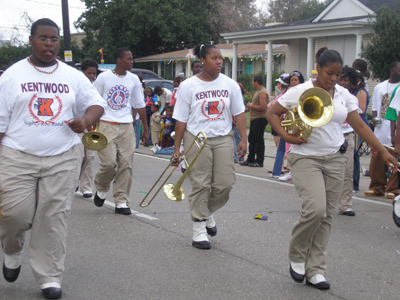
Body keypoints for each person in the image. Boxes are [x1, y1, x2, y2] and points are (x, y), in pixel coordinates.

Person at [267, 47, 397, 290]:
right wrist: (287, 136)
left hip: (336, 158)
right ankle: (297, 255)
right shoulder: (300, 90)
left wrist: (384, 151)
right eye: (330, 73)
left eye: (338, 75)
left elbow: (360, 125)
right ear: (318, 68)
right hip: (306, 158)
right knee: (315, 210)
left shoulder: (343, 94)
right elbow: (272, 112)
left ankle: (316, 269)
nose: (334, 79)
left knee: (326, 216)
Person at [0, 18, 105, 299]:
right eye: (43, 38)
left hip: (62, 157)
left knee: (53, 217)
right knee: (13, 215)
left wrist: (85, 120)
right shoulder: (12, 76)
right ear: (32, 40)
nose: (49, 44)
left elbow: (96, 104)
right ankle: (11, 249)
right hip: (17, 155)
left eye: (54, 39)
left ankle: (49, 275)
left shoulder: (72, 75)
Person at [172, 43, 247, 250]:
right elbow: (180, 119)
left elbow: (239, 113)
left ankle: (206, 212)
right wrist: (177, 149)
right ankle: (198, 228)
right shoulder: (188, 86)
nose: (219, 62)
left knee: (225, 184)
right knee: (201, 183)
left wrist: (243, 139)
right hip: (196, 137)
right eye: (214, 58)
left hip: (223, 137)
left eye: (220, 58)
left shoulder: (230, 84)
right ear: (202, 61)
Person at [93, 47, 149, 215]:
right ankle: (102, 188)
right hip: (106, 124)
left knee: (126, 164)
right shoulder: (103, 78)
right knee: (109, 163)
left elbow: (139, 105)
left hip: (126, 126)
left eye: (132, 59)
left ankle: (121, 201)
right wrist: (91, 123)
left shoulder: (133, 79)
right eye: (129, 59)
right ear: (119, 60)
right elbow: (93, 100)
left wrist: (145, 129)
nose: (132, 62)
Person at [364, 62, 400, 199]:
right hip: (381, 130)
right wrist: (374, 119)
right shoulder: (380, 87)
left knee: (395, 160)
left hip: (396, 132)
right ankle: (377, 186)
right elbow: (374, 107)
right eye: (398, 70)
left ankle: (393, 188)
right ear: (392, 71)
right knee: (377, 163)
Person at [337, 66, 359, 216]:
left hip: (348, 136)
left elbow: (358, 122)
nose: (343, 83)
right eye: (341, 79)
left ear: (352, 83)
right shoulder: (330, 97)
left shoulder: (352, 99)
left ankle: (346, 205)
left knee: (347, 172)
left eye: (346, 80)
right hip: (332, 137)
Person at [76, 58, 99, 198]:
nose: (91, 76)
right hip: (78, 126)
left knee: (90, 157)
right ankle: (73, 182)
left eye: (93, 73)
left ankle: (86, 186)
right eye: (89, 73)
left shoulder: (95, 87)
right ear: (82, 72)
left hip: (92, 127)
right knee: (79, 156)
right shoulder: (75, 85)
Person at [278, 71, 305, 182]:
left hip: (299, 122)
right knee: (289, 149)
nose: (293, 82)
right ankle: (291, 171)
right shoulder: (289, 92)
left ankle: (298, 172)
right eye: (292, 80)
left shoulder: (304, 91)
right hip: (289, 122)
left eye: (296, 80)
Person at [240, 75, 268, 167]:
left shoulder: (262, 92)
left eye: (253, 81)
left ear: (256, 82)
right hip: (254, 118)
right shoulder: (258, 91)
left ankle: (259, 161)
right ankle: (250, 159)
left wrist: (251, 106)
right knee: (252, 139)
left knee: (258, 140)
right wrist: (249, 108)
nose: (252, 83)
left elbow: (263, 107)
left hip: (259, 119)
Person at [352, 69, 370, 193]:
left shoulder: (361, 92)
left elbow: (361, 109)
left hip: (359, 125)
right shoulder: (351, 91)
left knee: (354, 154)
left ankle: (355, 183)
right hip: (350, 124)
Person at [233, 82, 246, 163]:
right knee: (237, 138)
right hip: (235, 120)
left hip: (236, 121)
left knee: (235, 139)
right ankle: (240, 155)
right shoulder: (241, 97)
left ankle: (237, 156)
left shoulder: (239, 97)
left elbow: (238, 111)